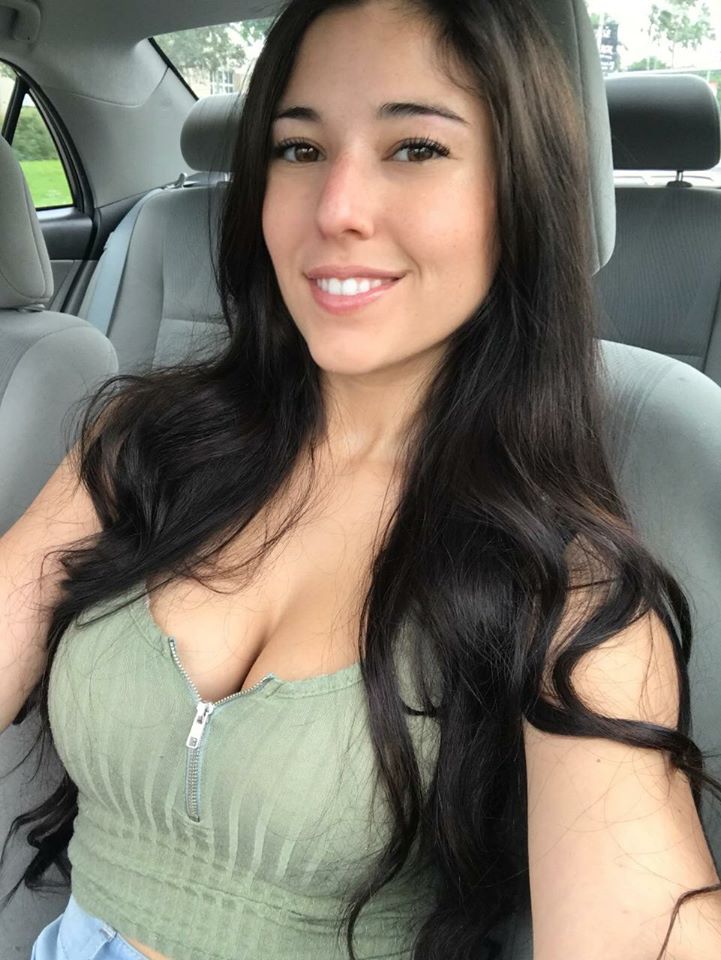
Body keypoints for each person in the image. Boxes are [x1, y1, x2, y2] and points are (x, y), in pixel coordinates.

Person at [2, 0, 720, 958]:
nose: (335, 207)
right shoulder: (137, 443)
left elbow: (638, 925)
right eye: (298, 149)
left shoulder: (568, 590)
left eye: (415, 148)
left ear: (519, 193)